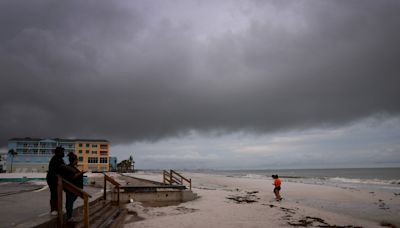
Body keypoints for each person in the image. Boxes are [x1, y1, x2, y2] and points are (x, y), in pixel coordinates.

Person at [64, 152, 85, 222]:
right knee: (69, 202)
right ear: (74, 160)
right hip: (71, 188)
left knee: (70, 202)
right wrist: (80, 173)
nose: (78, 161)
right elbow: (72, 177)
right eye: (77, 159)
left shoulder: (72, 167)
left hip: (75, 189)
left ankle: (69, 216)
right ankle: (69, 217)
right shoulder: (69, 167)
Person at [46, 146, 66, 215]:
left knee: (57, 194)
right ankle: (53, 209)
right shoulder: (55, 159)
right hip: (52, 178)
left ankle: (58, 209)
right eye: (63, 152)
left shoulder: (60, 159)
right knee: (54, 193)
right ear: (59, 152)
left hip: (57, 179)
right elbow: (61, 168)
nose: (64, 153)